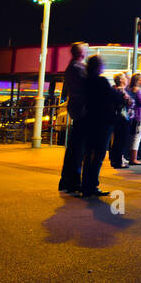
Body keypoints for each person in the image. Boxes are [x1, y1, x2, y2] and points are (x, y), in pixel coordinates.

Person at [79, 56, 120, 197]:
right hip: (103, 121)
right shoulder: (101, 81)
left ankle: (85, 184)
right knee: (99, 154)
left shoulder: (85, 81)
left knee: (88, 153)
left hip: (90, 119)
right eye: (102, 65)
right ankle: (92, 185)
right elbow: (113, 96)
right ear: (98, 67)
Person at [59, 42, 90, 194]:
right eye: (86, 50)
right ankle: (73, 181)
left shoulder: (71, 68)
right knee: (78, 148)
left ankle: (67, 181)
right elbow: (89, 87)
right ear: (81, 53)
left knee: (74, 146)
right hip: (82, 111)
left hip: (77, 110)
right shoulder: (79, 69)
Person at [108, 73, 135, 168]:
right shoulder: (121, 91)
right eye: (125, 78)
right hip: (123, 118)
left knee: (117, 140)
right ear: (121, 80)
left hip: (119, 118)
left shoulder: (116, 90)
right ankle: (118, 161)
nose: (127, 80)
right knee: (121, 140)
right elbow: (130, 103)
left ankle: (116, 160)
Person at [125, 73, 141, 165]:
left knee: (130, 137)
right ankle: (133, 159)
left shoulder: (128, 89)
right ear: (138, 80)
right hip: (138, 116)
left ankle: (128, 157)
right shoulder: (137, 90)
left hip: (130, 115)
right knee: (136, 137)